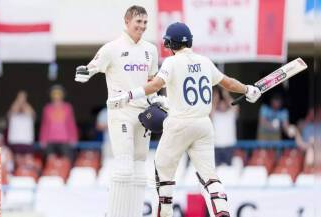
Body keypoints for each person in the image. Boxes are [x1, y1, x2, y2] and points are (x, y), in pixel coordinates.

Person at [107, 22, 261, 217]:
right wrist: (248, 89)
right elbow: (228, 83)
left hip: (179, 123)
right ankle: (222, 212)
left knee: (162, 168)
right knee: (209, 176)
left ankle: (165, 212)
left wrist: (129, 95)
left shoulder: (172, 62)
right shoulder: (205, 61)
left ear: (170, 44)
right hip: (204, 125)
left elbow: (155, 85)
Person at [74, 5, 162, 217]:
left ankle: (133, 214)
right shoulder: (111, 48)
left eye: (144, 22)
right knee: (124, 167)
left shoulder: (150, 50)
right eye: (138, 22)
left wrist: (157, 101)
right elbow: (91, 68)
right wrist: (84, 73)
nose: (142, 26)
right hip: (120, 111)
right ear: (127, 21)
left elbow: (152, 83)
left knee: (141, 169)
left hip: (143, 114)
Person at [39, 85, 78, 162]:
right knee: (50, 160)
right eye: (54, 93)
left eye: (58, 93)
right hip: (50, 139)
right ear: (51, 95)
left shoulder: (68, 107)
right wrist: (42, 139)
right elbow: (44, 125)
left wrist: (73, 138)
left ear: (62, 95)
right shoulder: (47, 108)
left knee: (66, 161)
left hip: (65, 139)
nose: (56, 96)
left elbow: (71, 124)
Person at [211, 88, 239, 166]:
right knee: (216, 171)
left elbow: (235, 106)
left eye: (224, 104)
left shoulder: (230, 114)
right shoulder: (215, 115)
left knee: (229, 171)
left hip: (229, 146)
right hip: (217, 146)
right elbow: (212, 108)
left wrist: (225, 95)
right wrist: (215, 98)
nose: (222, 105)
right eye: (221, 104)